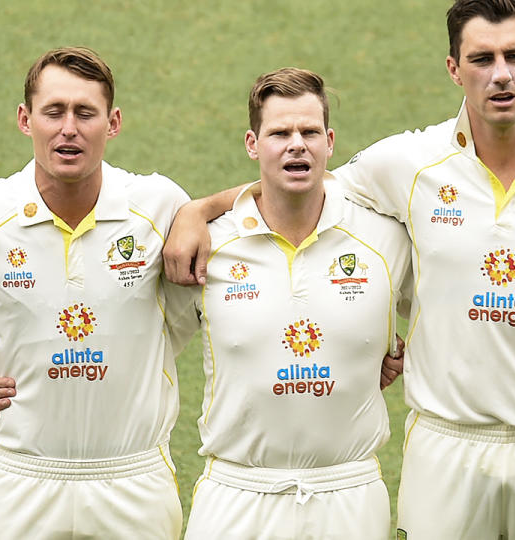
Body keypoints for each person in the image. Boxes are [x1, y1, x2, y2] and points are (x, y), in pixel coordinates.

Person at [162, 1, 515, 538]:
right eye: (481, 58)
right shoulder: (408, 163)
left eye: (514, 55)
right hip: (443, 447)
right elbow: (302, 180)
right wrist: (198, 209)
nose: (501, 74)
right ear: (453, 68)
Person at [0, 47, 191, 539]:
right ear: (24, 119)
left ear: (112, 123)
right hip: (20, 480)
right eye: (53, 111)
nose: (68, 128)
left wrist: (202, 211)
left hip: (133, 483)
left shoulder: (160, 206)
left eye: (85, 113)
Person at [160, 67, 411, 539]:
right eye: (280, 133)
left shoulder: (384, 238)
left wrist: (395, 350)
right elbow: (138, 343)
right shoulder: (208, 246)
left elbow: (447, 312)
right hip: (236, 493)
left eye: (309, 131)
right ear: (253, 144)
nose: (297, 143)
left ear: (330, 141)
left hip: (350, 491)